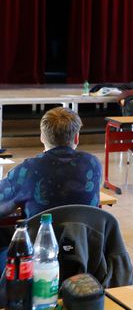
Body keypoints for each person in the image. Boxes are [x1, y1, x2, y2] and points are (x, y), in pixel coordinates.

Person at [0, 107, 102, 259]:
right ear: (76, 138)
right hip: (85, 252)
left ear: (42, 137)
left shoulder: (27, 169)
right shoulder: (93, 164)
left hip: (38, 255)